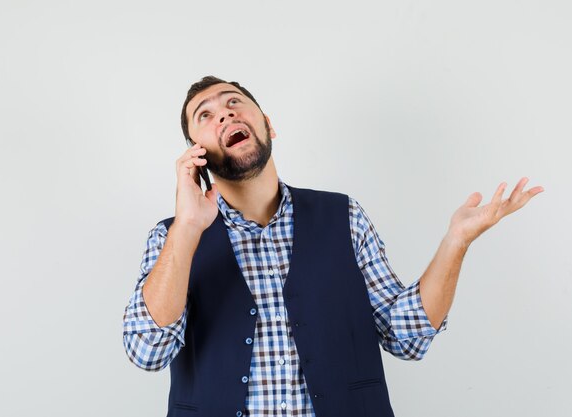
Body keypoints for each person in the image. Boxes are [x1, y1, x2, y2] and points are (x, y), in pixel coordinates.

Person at [122, 76, 544, 417]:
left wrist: (456, 242)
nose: (225, 113)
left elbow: (406, 336)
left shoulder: (344, 216)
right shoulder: (172, 238)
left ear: (268, 124)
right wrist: (188, 228)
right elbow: (147, 351)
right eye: (205, 115)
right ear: (196, 154)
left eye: (234, 102)